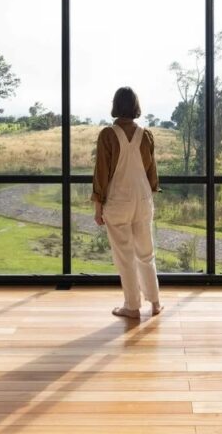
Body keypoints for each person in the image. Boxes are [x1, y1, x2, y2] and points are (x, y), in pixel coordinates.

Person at [92, 86, 163, 318]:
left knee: (125, 256)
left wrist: (98, 207)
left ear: (115, 105)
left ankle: (132, 307)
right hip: (143, 200)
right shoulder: (146, 135)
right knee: (146, 253)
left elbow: (101, 173)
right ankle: (155, 303)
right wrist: (149, 197)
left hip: (118, 202)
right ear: (135, 106)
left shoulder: (108, 135)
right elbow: (152, 172)